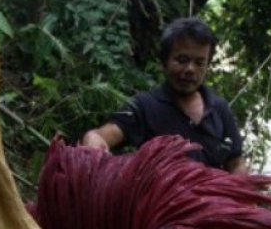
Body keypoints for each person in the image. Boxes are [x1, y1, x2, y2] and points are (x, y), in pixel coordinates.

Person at [81, 17, 247, 173]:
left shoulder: (219, 108)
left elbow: (236, 162)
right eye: (182, 60)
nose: (190, 69)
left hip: (212, 201)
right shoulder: (144, 105)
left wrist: (238, 192)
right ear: (164, 62)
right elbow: (103, 135)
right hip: (158, 201)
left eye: (199, 63)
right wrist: (93, 139)